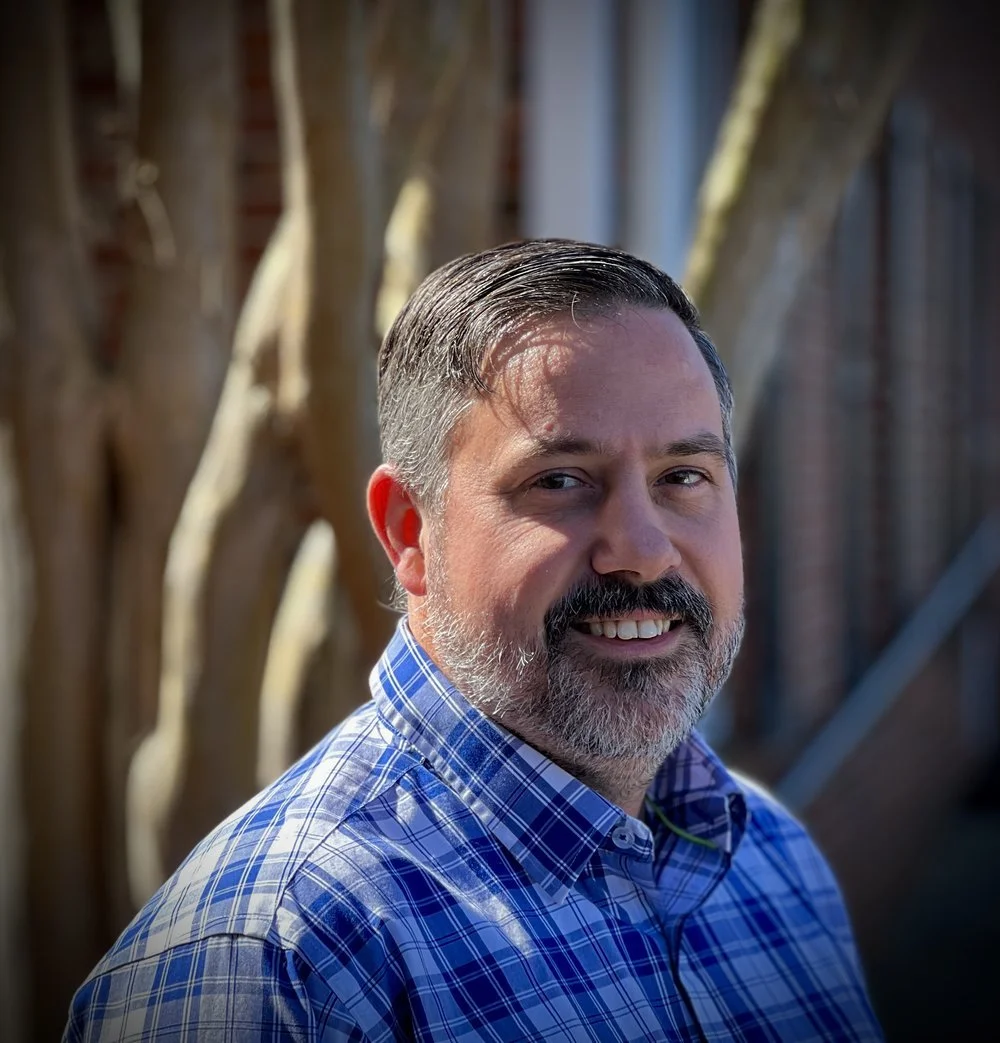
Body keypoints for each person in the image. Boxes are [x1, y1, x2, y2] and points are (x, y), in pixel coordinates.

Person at [66, 239, 883, 1041]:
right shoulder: (281, 963)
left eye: (683, 477)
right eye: (560, 480)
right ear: (409, 531)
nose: (641, 547)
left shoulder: (774, 861)